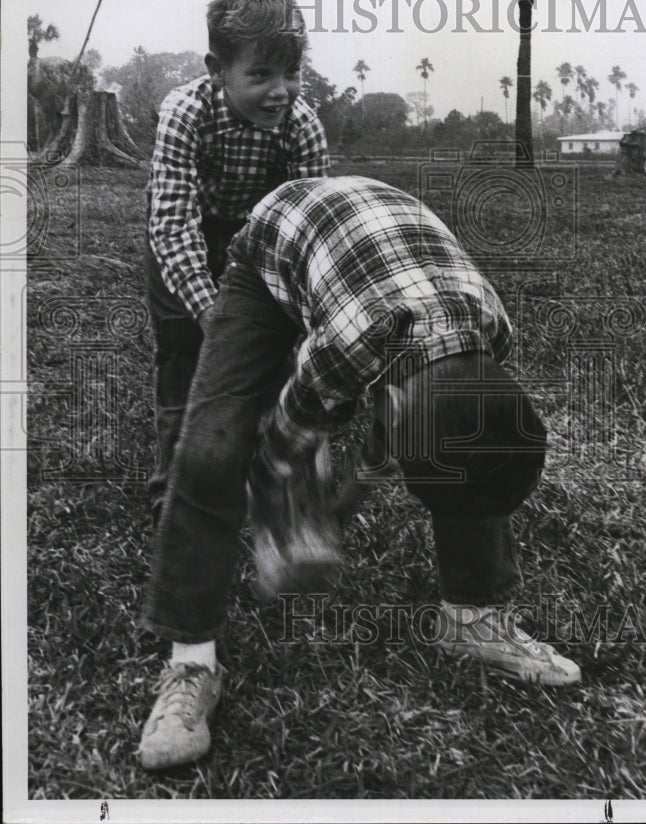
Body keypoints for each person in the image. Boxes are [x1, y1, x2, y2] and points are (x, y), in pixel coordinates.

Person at [138, 176, 581, 772]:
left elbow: (427, 424)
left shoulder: (490, 326)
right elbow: (281, 449)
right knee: (213, 444)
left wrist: (344, 504)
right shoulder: (350, 344)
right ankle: (191, 661)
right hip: (276, 240)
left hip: (376, 256)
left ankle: (474, 621)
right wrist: (301, 530)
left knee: (474, 454)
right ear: (393, 411)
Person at [145, 0, 328, 525]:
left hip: (257, 242)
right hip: (185, 234)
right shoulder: (184, 111)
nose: (280, 91)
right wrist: (211, 313)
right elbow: (172, 226)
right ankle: (174, 487)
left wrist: (297, 321)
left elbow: (308, 232)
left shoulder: (303, 126)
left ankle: (272, 476)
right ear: (217, 70)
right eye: (261, 75)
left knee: (269, 356)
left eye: (291, 73)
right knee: (183, 355)